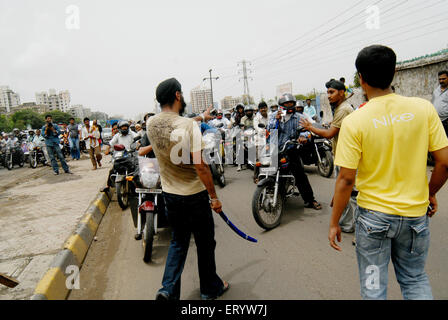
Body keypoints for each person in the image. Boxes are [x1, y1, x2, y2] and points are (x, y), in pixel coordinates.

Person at [329, 45, 448, 300]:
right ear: (394, 72)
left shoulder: (355, 121)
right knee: (415, 279)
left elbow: (346, 179)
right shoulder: (423, 109)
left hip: (374, 221)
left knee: (374, 289)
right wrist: (430, 193)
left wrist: (334, 222)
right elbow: (444, 163)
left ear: (360, 78)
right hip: (416, 217)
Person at [148, 78, 229, 301]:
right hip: (194, 196)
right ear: (177, 95)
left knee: (178, 242)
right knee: (204, 243)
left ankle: (167, 290)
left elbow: (174, 124)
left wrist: (201, 117)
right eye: (181, 94)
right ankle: (209, 290)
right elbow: (201, 166)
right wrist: (214, 197)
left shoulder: (151, 124)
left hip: (170, 196)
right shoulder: (188, 126)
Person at [301, 80, 355, 233]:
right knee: (345, 193)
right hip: (342, 155)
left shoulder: (343, 109)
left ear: (342, 92)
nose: (328, 96)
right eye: (328, 92)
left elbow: (330, 134)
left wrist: (310, 127)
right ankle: (347, 224)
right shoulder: (340, 108)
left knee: (349, 195)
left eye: (332, 92)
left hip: (346, 157)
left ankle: (352, 225)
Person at [269, 93, 322, 210]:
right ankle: (273, 195)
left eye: (291, 103)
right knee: (268, 171)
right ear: (281, 105)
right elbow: (270, 131)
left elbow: (305, 130)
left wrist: (303, 137)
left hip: (290, 149)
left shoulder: (298, 117)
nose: (289, 105)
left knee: (300, 174)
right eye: (286, 104)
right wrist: (276, 121)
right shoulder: (274, 115)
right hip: (275, 149)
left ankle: (310, 200)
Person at [432, 70, 448, 137]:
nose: (441, 81)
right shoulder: (436, 90)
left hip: (446, 121)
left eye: (443, 79)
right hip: (437, 121)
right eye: (440, 79)